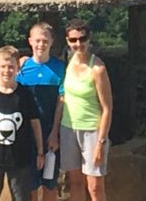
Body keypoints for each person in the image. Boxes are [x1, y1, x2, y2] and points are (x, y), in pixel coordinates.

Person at [0, 45, 45, 201]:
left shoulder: (25, 94)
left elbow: (35, 123)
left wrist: (40, 151)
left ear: (17, 68)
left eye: (11, 67)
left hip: (20, 158)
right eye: (3, 66)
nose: (7, 71)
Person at [59, 19, 113, 201]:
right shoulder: (68, 60)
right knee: (74, 183)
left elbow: (107, 108)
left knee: (95, 187)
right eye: (73, 40)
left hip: (92, 131)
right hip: (68, 128)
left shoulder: (97, 68)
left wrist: (101, 142)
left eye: (82, 39)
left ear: (89, 40)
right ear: (67, 41)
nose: (78, 44)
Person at [16, 22, 65, 201]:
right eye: (37, 40)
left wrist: (54, 133)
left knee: (49, 181)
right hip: (27, 134)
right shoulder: (21, 68)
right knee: (29, 184)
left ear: (52, 42)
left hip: (49, 131)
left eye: (45, 40)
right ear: (30, 41)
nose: (41, 45)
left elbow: (61, 102)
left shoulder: (59, 68)